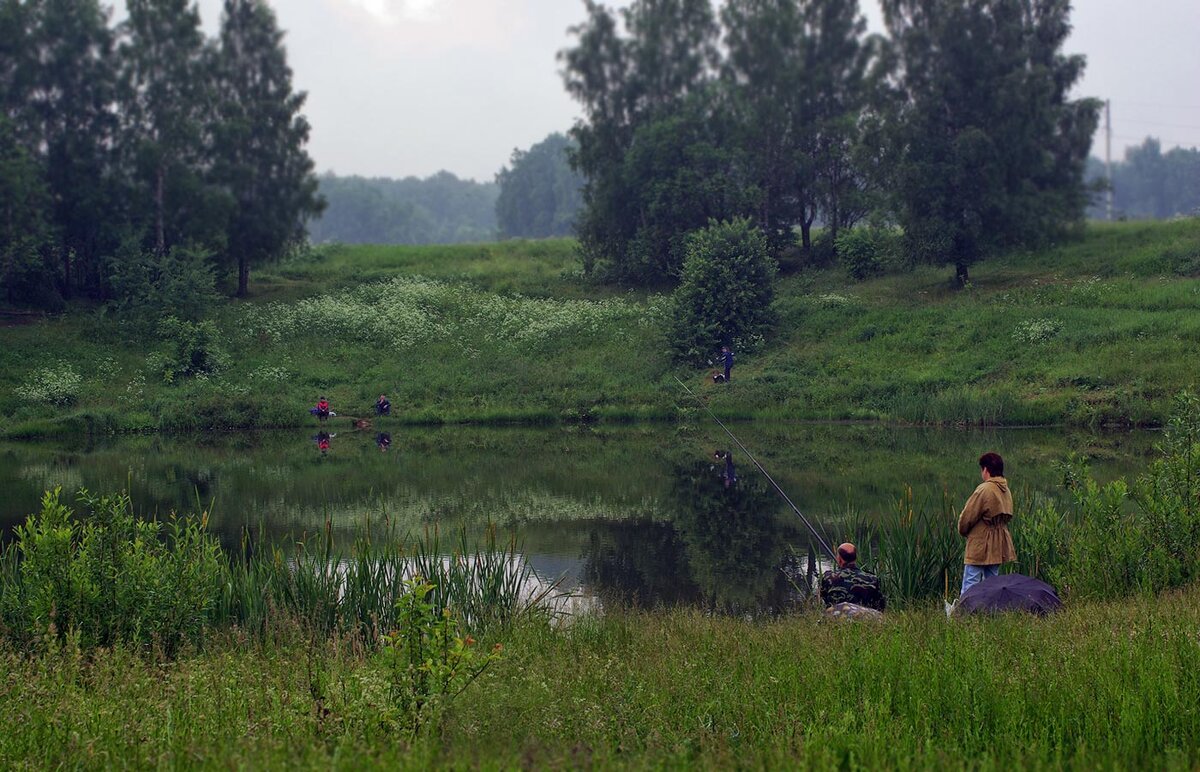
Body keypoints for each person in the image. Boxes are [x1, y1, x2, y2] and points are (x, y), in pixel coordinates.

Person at [958, 451, 1017, 596]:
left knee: (970, 582)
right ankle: (992, 612)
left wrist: (963, 531)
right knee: (993, 583)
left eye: (982, 469)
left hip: (980, 542)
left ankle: (963, 614)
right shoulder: (1006, 490)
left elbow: (967, 517)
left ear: (986, 469)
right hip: (998, 541)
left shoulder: (984, 489)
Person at [818, 542, 886, 611]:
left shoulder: (828, 577)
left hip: (836, 616)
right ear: (856, 557)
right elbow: (880, 606)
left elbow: (824, 599)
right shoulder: (872, 578)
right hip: (863, 618)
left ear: (839, 558)